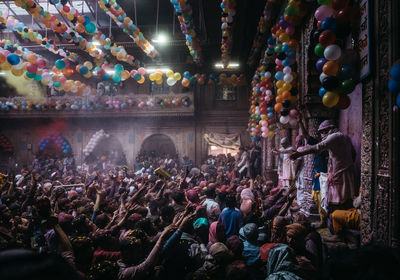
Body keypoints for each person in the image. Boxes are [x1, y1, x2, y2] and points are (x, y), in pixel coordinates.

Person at [290, 120, 357, 221]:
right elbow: (353, 154)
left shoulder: (334, 137)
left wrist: (299, 154)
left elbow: (318, 147)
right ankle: (339, 227)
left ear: (329, 130)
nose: (321, 135)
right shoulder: (345, 137)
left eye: (322, 132)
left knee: (335, 202)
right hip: (345, 174)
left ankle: (337, 229)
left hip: (338, 176)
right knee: (345, 200)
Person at [297, 112, 329, 228]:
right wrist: (300, 122)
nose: (323, 135)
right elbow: (306, 136)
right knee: (316, 197)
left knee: (323, 199)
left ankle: (324, 221)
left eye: (324, 132)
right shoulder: (319, 143)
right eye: (321, 133)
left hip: (326, 176)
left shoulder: (331, 143)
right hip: (317, 175)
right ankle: (323, 219)